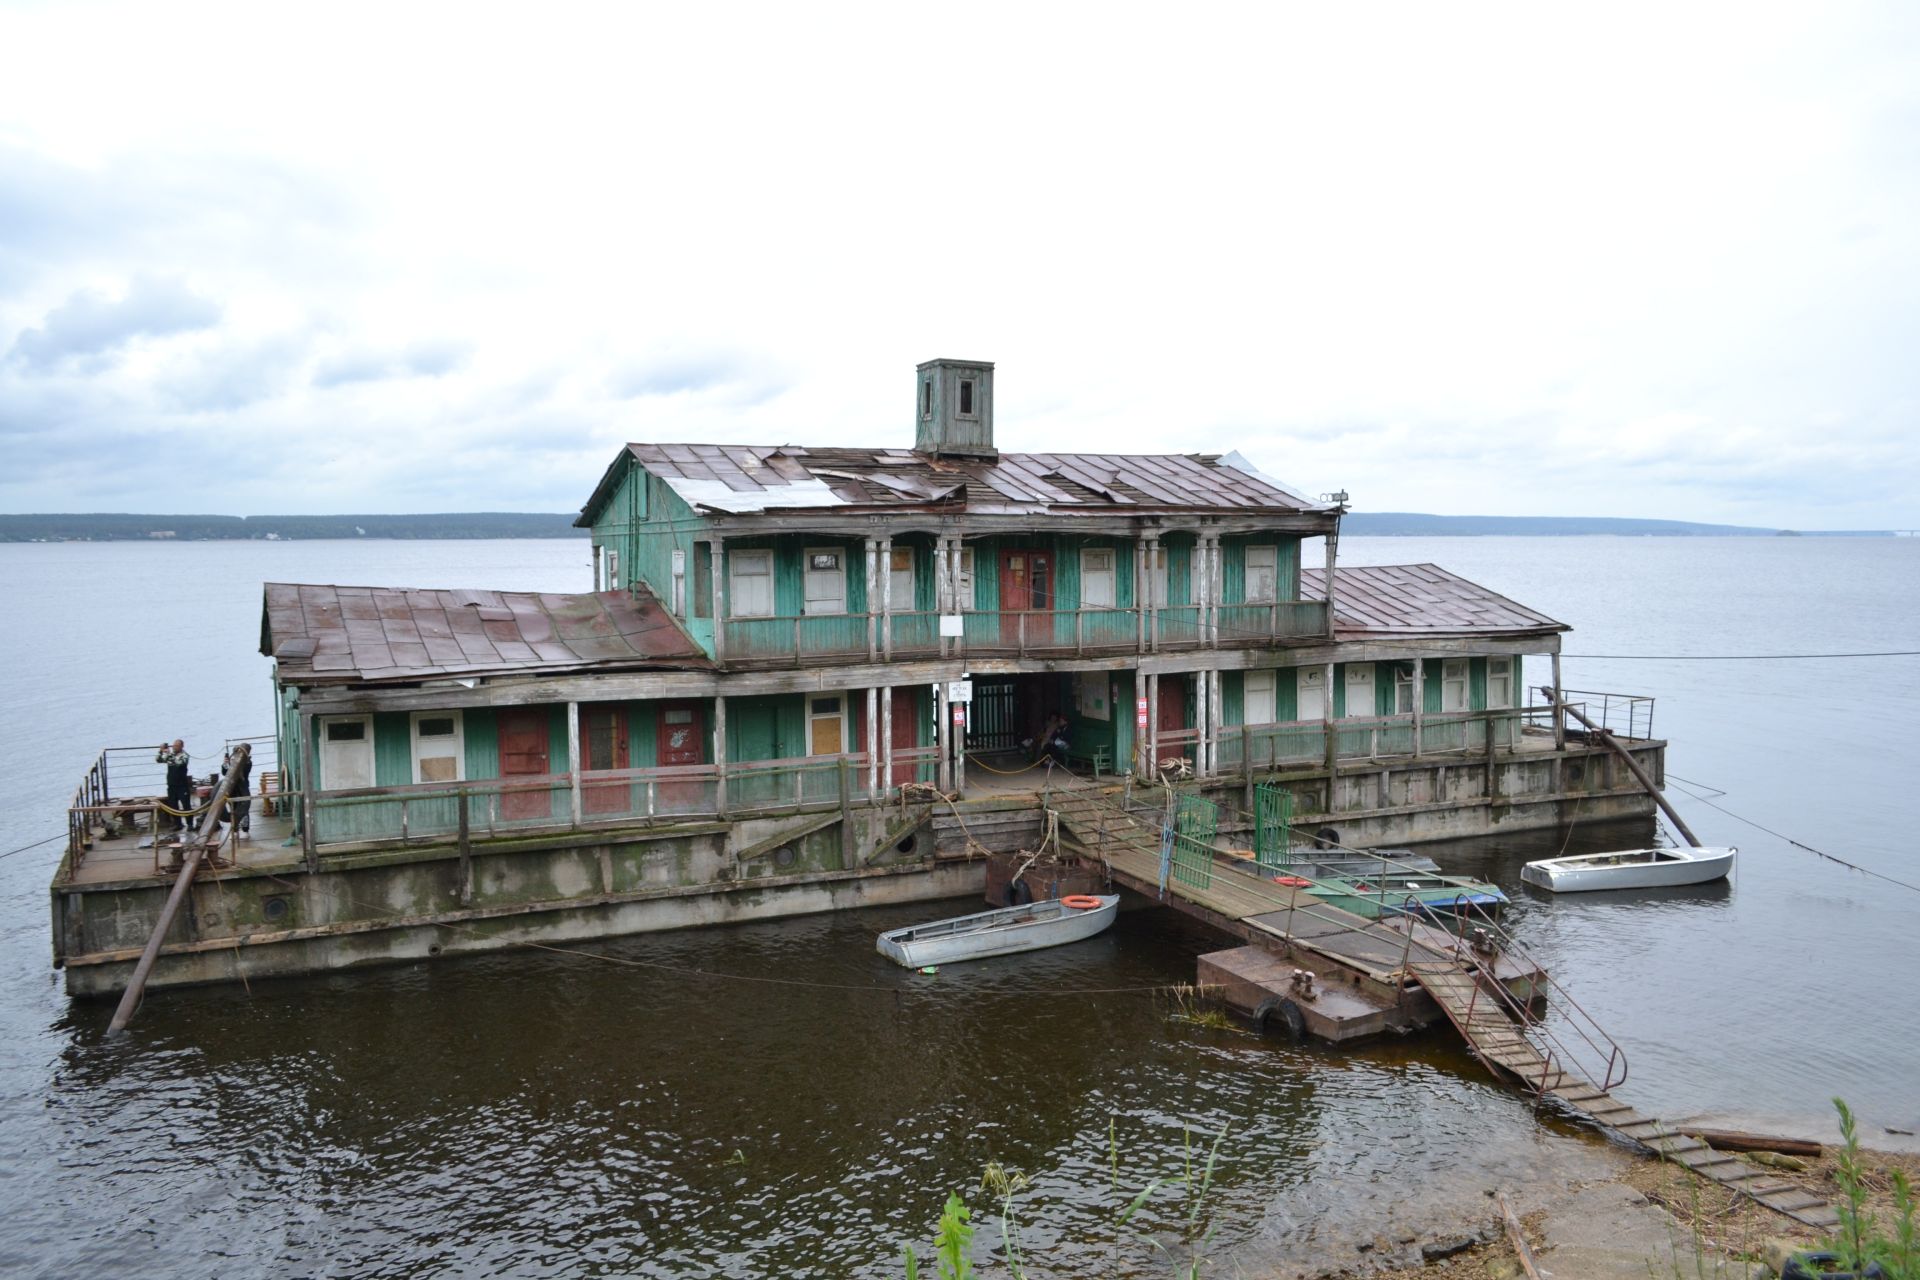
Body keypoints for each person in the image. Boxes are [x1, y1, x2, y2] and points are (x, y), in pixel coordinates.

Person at [156, 740, 191, 830]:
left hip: (182, 785)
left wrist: (168, 754)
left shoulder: (185, 756)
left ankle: (190, 824)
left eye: (176, 746)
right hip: (172, 785)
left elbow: (179, 763)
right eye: (173, 746)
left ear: (181, 746)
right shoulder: (170, 755)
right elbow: (158, 760)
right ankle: (177, 824)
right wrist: (161, 750)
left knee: (186, 805)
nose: (174, 747)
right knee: (173, 805)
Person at [222, 747, 254, 839]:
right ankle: (235, 829)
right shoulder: (230, 762)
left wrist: (245, 760)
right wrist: (225, 763)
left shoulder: (247, 762)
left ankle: (245, 829)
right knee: (233, 808)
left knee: (244, 808)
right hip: (232, 788)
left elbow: (247, 769)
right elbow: (224, 773)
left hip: (243, 787)